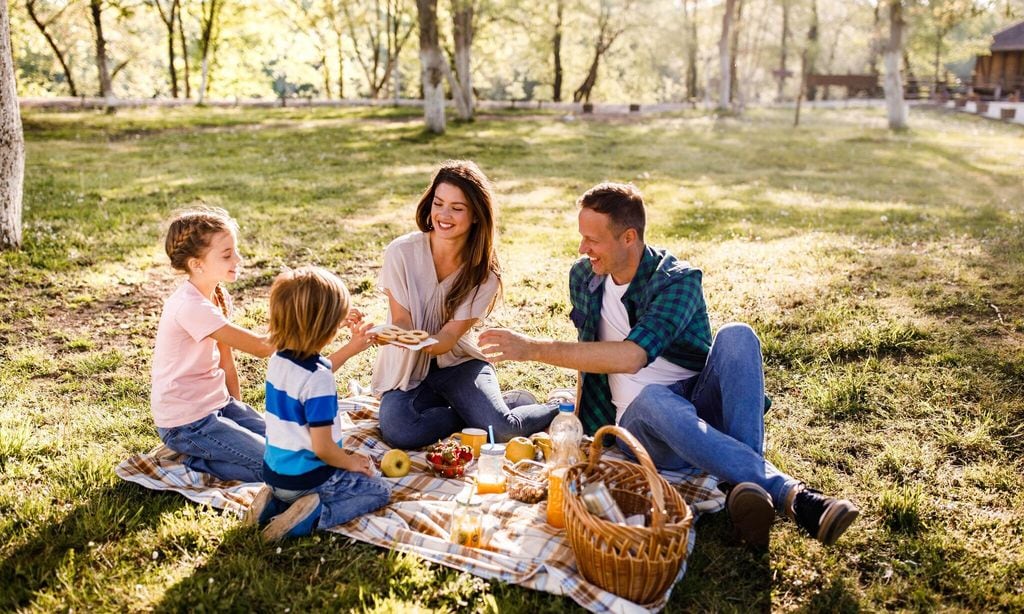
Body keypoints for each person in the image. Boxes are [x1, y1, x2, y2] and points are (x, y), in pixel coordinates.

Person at [479, 183, 859, 548]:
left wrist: (531, 348)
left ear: (629, 237)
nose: (583, 248)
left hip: (700, 410)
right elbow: (588, 350)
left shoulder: (676, 281)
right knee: (656, 398)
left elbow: (632, 357)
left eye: (592, 240)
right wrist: (578, 424)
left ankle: (745, 488)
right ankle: (790, 495)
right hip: (642, 427)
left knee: (738, 335)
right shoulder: (584, 276)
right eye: (582, 237)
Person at [372, 160, 558, 449]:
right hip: (408, 369)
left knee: (503, 431)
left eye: (457, 208)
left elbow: (446, 340)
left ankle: (559, 405)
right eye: (439, 203)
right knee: (399, 432)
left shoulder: (485, 275)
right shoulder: (401, 252)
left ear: (475, 216)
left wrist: (412, 340)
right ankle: (474, 414)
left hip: (458, 363)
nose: (444, 216)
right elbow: (401, 319)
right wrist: (392, 335)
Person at [248, 266, 391, 541]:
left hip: (276, 476)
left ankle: (273, 504)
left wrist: (352, 346)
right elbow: (324, 449)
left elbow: (318, 371)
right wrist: (351, 462)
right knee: (379, 490)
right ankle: (312, 516)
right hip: (309, 479)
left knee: (291, 489)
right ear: (326, 326)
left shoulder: (280, 360)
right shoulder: (319, 380)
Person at [151, 207, 275, 483]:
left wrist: (237, 414)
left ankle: (216, 449)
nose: (238, 259)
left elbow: (225, 362)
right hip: (187, 424)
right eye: (227, 254)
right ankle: (194, 460)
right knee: (276, 469)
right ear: (197, 264)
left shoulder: (218, 296)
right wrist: (308, 315)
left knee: (289, 447)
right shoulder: (190, 307)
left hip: (218, 406)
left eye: (236, 251)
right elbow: (262, 347)